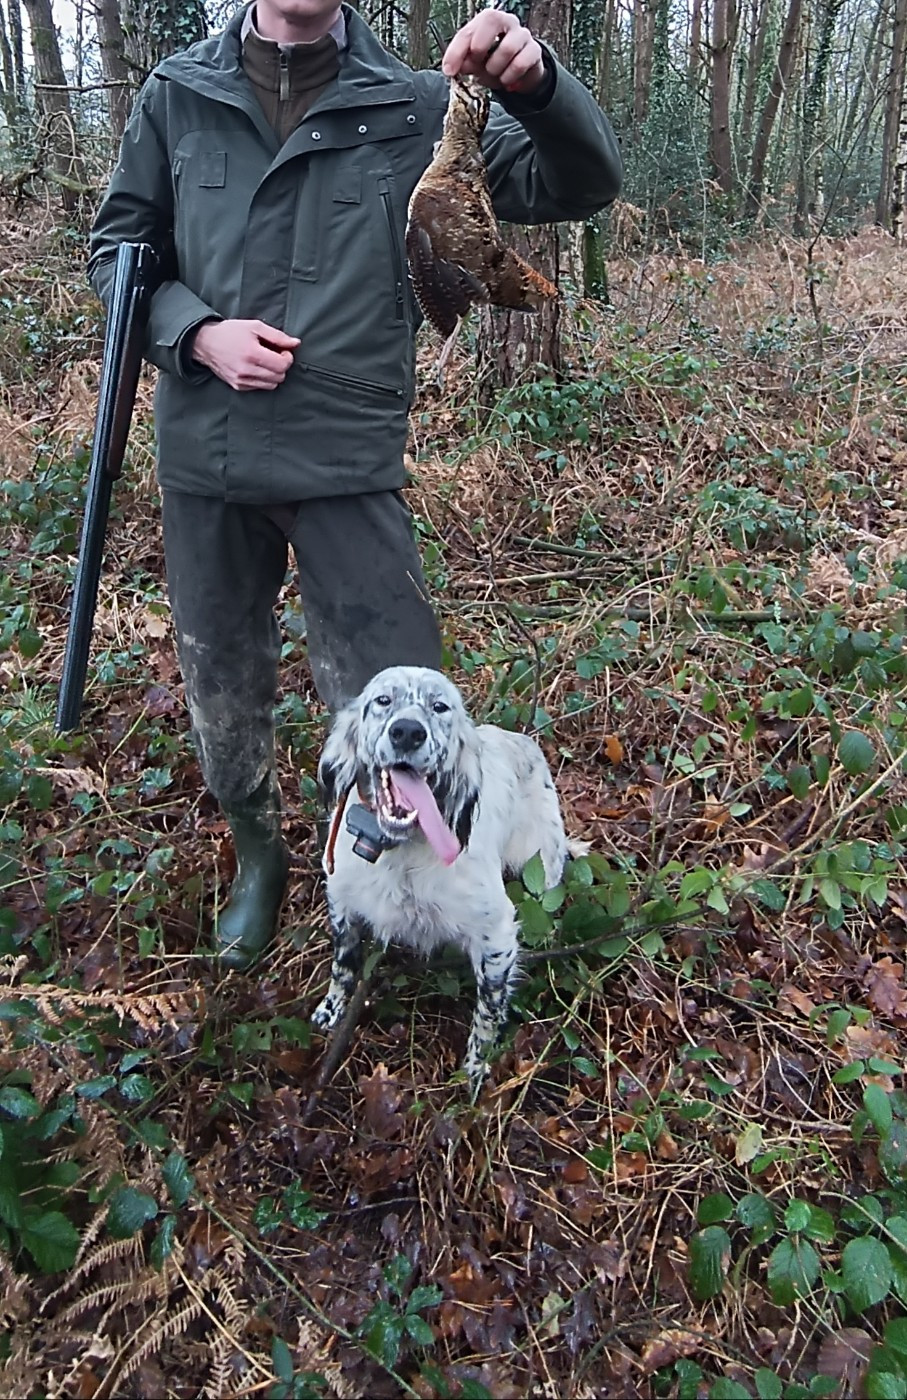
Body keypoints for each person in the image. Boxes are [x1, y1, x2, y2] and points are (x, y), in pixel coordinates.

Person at [87, 0, 623, 970]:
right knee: (221, 678)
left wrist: (537, 82)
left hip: (347, 453)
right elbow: (119, 253)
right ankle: (260, 855)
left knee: (395, 682)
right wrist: (196, 334)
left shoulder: (417, 107)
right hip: (207, 453)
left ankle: (397, 866)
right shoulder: (177, 94)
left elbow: (577, 183)